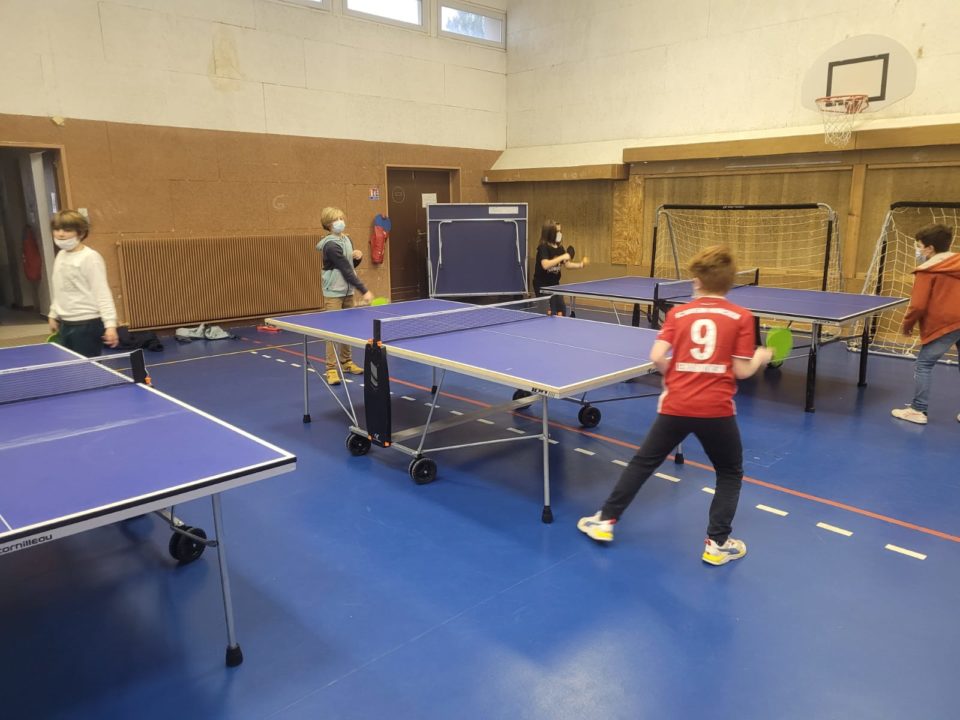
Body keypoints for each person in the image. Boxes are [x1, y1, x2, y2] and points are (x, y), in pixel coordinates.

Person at [578, 245, 773, 566]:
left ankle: (604, 521)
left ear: (697, 281)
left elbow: (657, 357)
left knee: (643, 463)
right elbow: (741, 370)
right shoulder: (741, 317)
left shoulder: (678, 314)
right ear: (729, 283)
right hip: (716, 411)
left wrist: (676, 376)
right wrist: (760, 358)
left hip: (676, 405)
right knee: (729, 472)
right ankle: (717, 544)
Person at [890, 223, 960, 425]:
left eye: (919, 246)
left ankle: (918, 410)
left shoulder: (927, 271)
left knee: (924, 365)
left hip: (945, 324)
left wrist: (907, 325)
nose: (918, 250)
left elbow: (918, 305)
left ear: (930, 248)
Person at [47, 210, 119, 357]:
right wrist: (53, 313)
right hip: (65, 323)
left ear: (80, 233)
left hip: (87, 325)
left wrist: (110, 325)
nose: (60, 234)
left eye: (67, 230)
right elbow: (60, 289)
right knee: (69, 367)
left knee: (86, 369)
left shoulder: (90, 258)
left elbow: (102, 293)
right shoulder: (61, 255)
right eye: (57, 229)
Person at [317, 206, 373, 385]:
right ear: (328, 224)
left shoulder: (347, 239)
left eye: (341, 218)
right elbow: (344, 269)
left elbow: (350, 266)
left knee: (348, 329)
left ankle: (347, 362)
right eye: (336, 220)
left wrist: (357, 257)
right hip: (334, 292)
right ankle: (331, 369)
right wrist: (364, 290)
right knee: (333, 330)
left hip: (347, 290)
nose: (340, 222)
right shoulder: (330, 245)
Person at [531, 220, 587, 315]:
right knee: (547, 314)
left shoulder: (560, 248)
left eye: (560, 231)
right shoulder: (543, 247)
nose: (559, 233)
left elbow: (567, 264)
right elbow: (545, 265)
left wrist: (580, 265)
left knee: (562, 312)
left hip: (555, 285)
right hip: (542, 286)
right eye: (557, 231)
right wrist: (562, 257)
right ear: (550, 233)